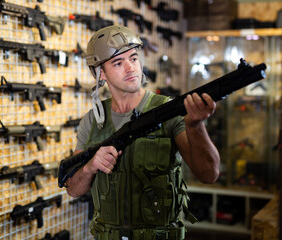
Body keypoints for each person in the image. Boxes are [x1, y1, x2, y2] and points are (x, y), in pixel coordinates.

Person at [65, 25, 220, 240]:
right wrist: (91, 166)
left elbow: (209, 174)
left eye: (134, 58)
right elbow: (73, 188)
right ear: (101, 73)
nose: (131, 68)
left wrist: (196, 125)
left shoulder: (168, 112)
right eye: (118, 63)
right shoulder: (92, 121)